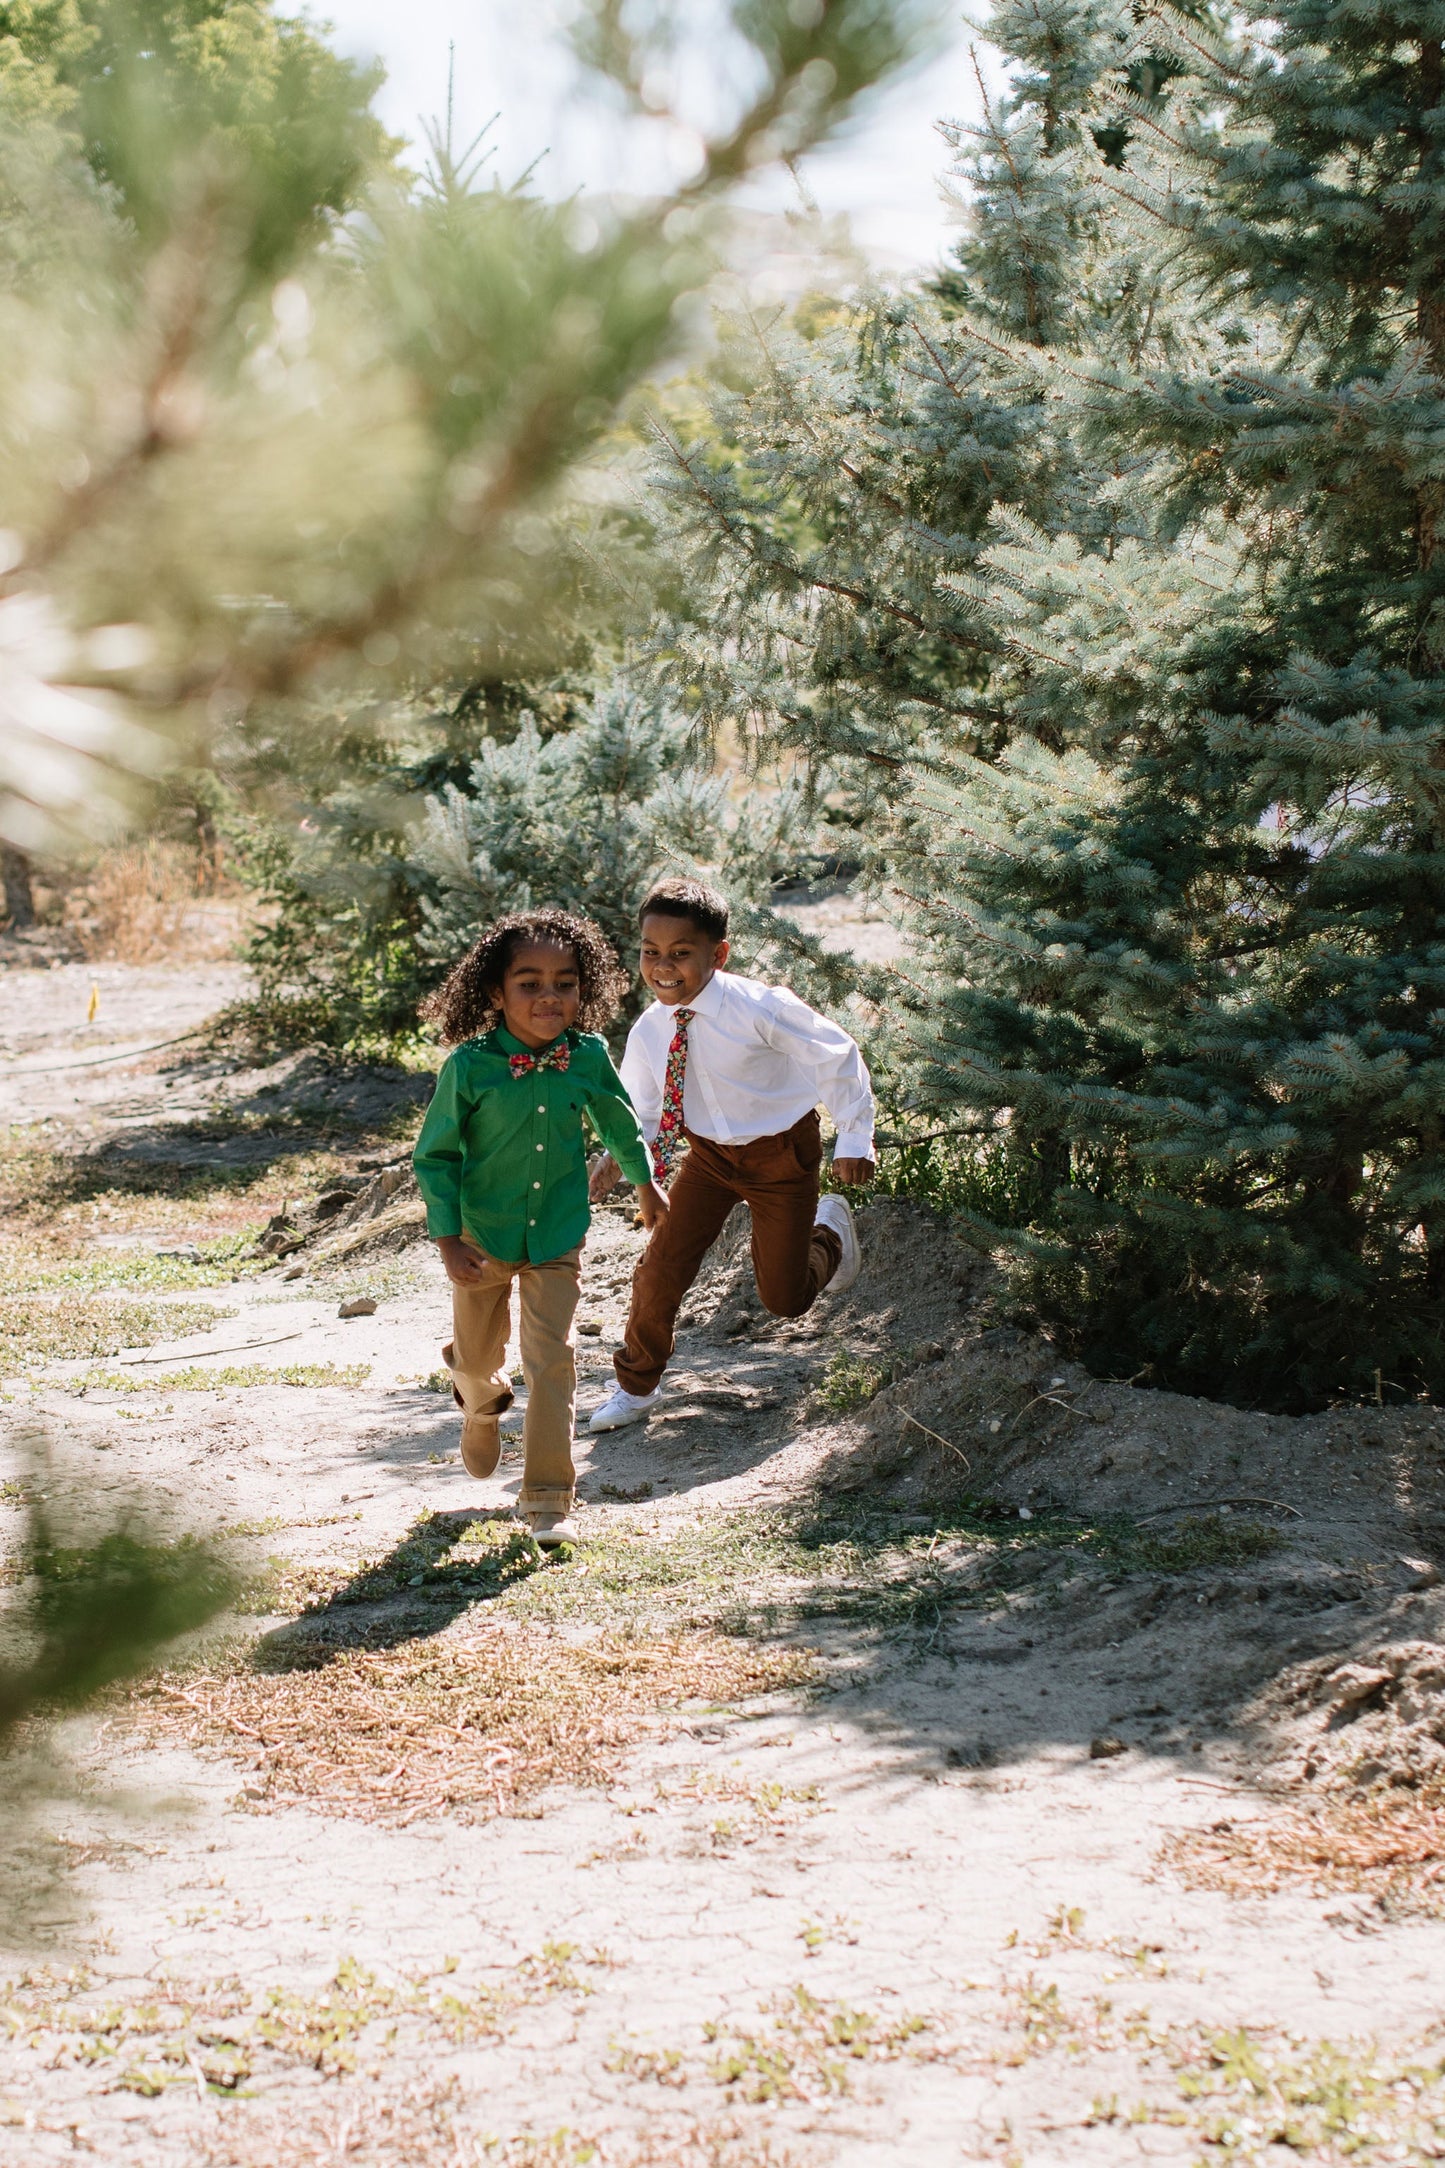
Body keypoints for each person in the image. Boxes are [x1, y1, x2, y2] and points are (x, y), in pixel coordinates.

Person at [412, 908, 668, 1545]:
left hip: (557, 1233)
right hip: (480, 1238)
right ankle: (478, 1399)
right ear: (496, 993)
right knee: (476, 1357)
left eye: (566, 983)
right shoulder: (468, 1067)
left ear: (586, 990)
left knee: (552, 1359)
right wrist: (446, 1238)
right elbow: (435, 1156)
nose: (549, 997)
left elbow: (618, 1123)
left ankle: (549, 1496)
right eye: (529, 983)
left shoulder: (585, 1056)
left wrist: (645, 1182)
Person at [586, 877, 876, 1432]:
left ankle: (830, 1231)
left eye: (680, 953)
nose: (662, 967)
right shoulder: (651, 1029)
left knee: (784, 1298)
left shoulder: (759, 1008)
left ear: (717, 954)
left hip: (781, 1155)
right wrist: (616, 1155)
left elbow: (836, 1055)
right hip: (709, 1161)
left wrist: (855, 1137)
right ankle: (635, 1387)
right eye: (650, 952)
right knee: (659, 1269)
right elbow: (644, 1109)